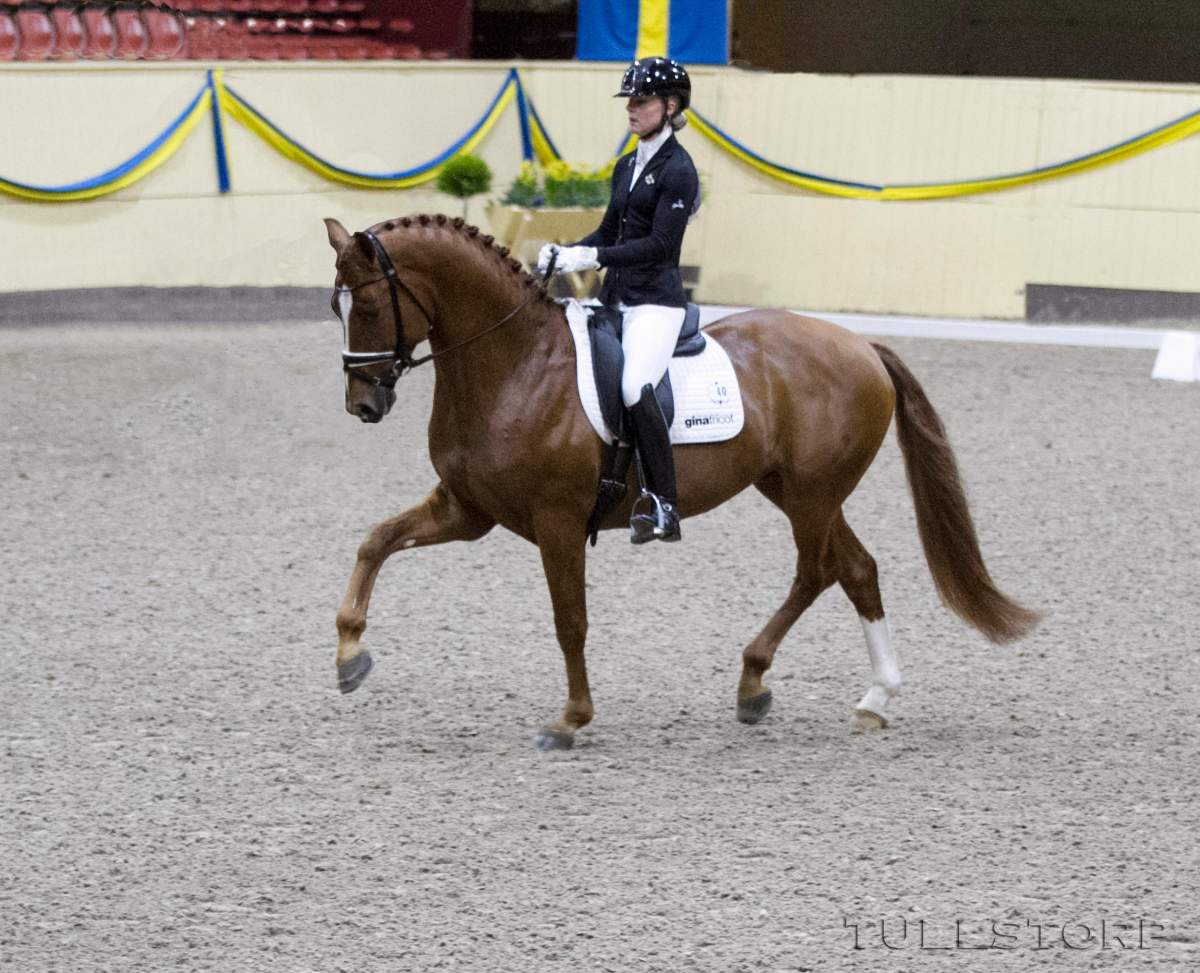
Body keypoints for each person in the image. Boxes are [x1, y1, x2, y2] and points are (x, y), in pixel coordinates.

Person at [538, 56, 700, 545]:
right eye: (629, 100)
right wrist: (566, 253)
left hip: (655, 304)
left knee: (634, 387)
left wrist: (593, 256)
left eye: (642, 100)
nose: (631, 108)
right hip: (615, 298)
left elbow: (661, 246)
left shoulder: (679, 170)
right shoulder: (627, 165)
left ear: (670, 106)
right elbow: (609, 232)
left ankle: (665, 503)